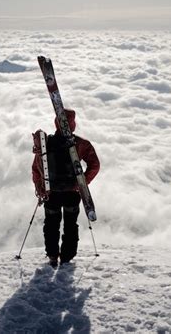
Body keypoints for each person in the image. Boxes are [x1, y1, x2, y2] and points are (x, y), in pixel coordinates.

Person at [32, 109, 100, 267]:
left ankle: (52, 256)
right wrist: (82, 183)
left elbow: (36, 168)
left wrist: (40, 187)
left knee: (51, 224)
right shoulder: (81, 144)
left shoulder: (46, 143)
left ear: (56, 123)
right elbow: (95, 165)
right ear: (73, 124)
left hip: (52, 192)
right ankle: (67, 257)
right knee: (70, 225)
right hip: (72, 192)